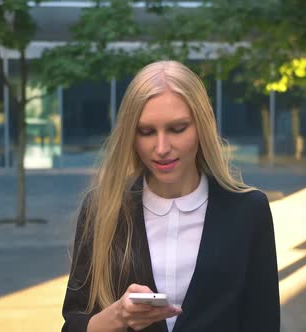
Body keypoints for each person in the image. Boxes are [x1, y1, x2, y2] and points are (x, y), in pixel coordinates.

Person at [62, 60, 280, 332]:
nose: (162, 148)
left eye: (177, 129)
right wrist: (118, 316)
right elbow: (73, 325)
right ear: (131, 135)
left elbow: (263, 322)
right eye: (147, 132)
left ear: (202, 126)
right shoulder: (103, 207)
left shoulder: (249, 210)